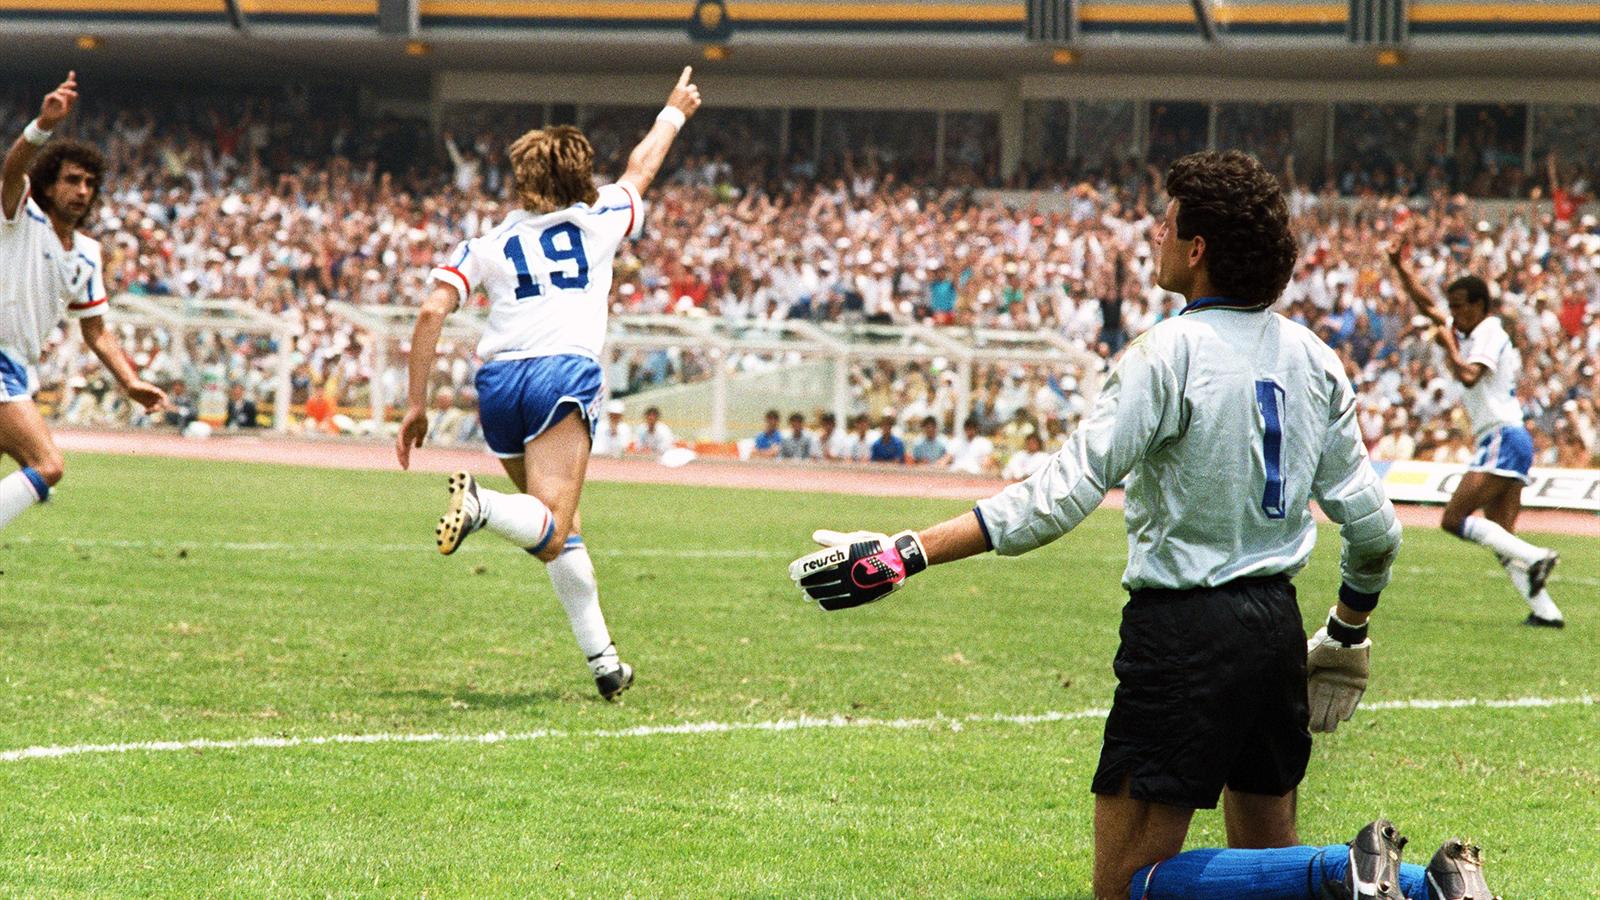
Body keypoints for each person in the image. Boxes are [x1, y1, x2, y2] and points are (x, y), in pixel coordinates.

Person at [788, 151, 1494, 900]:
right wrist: (1348, 630)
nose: (1154, 233)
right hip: (1277, 628)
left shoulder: (1165, 354)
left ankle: (1355, 872)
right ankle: (1431, 884)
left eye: (1167, 223)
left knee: (1128, 885)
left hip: (1183, 634)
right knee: (1266, 875)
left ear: (1197, 250)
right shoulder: (1316, 361)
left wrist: (906, 552)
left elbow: (1057, 498)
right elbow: (1376, 528)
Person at [397, 67, 702, 701]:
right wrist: (673, 111)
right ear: (580, 177)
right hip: (562, 373)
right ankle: (481, 507)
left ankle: (605, 664)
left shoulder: (484, 243)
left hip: (499, 383)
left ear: (522, 179)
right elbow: (641, 169)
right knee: (551, 526)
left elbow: (430, 312)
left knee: (558, 533)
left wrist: (415, 406)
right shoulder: (602, 219)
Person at [0, 71, 166, 538]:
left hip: (18, 367)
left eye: (91, 183)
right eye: (73, 180)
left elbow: (97, 330)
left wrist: (130, 382)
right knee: (48, 466)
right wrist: (42, 127)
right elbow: (13, 171)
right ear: (49, 185)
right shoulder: (20, 217)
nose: (83, 190)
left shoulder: (88, 253)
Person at [1388, 245, 1564, 628]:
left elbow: (1470, 375)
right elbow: (1425, 305)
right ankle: (1546, 612)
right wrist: (1399, 266)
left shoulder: (1489, 332)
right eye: (1452, 306)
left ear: (1481, 305)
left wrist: (1448, 345)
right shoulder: (1468, 327)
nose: (1454, 314)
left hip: (1502, 435)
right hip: (1507, 436)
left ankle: (1537, 556)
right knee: (1502, 538)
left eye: (1461, 306)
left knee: (1453, 519)